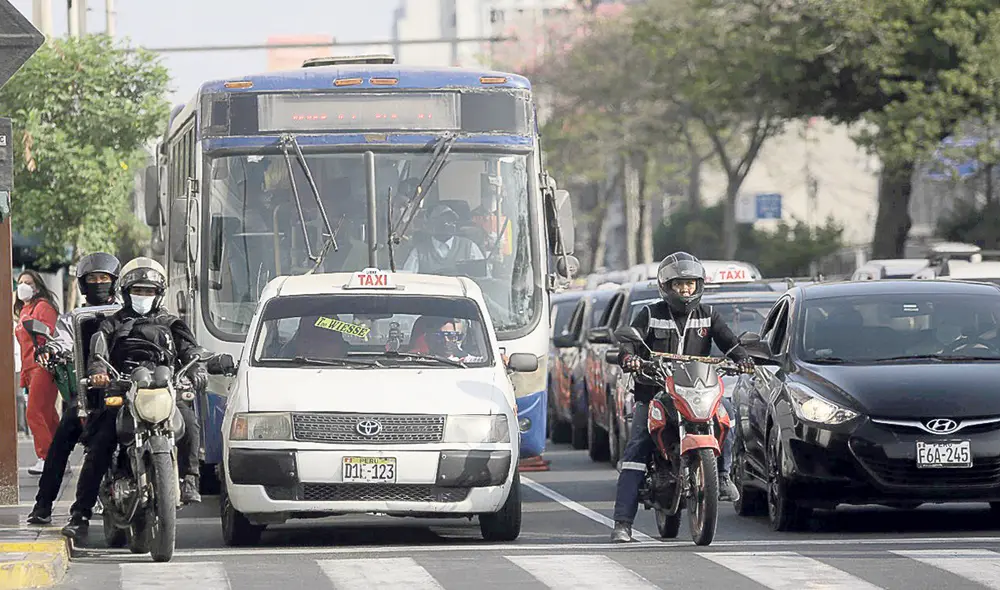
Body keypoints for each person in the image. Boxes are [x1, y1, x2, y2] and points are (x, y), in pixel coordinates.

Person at [60, 257, 214, 539]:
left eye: (149, 291)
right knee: (101, 442)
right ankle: (80, 514)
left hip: (163, 387)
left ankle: (190, 479)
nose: (143, 296)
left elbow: (191, 351)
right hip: (123, 388)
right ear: (126, 293)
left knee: (189, 421)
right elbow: (98, 355)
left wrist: (198, 366)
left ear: (159, 294)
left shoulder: (172, 324)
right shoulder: (111, 324)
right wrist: (98, 373)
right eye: (138, 291)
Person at [610, 252, 756, 543]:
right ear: (666, 287)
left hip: (697, 390)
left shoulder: (708, 315)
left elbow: (728, 341)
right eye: (679, 285)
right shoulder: (650, 314)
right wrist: (629, 357)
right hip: (655, 393)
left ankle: (723, 475)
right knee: (637, 447)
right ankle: (622, 523)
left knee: (727, 414)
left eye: (690, 284)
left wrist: (743, 358)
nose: (686, 291)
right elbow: (629, 340)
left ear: (698, 285)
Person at [27, 253, 121, 525]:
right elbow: (61, 341)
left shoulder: (125, 314)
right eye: (93, 279)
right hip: (88, 395)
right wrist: (51, 351)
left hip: (125, 392)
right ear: (82, 284)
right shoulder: (73, 319)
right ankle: (43, 505)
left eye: (104, 278)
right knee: (61, 441)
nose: (99, 283)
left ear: (114, 282)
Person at [14, 269, 61, 475]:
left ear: (37, 286)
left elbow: (48, 334)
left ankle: (46, 457)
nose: (23, 286)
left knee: (34, 412)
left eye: (28, 282)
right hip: (29, 368)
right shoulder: (25, 310)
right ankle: (60, 456)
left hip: (43, 365)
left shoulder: (43, 307)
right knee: (47, 414)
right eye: (20, 282)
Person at [401, 204, 485, 274]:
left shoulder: (469, 247)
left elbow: (483, 278)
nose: (447, 224)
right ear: (431, 224)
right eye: (442, 221)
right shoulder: (419, 252)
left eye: (451, 220)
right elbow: (407, 280)